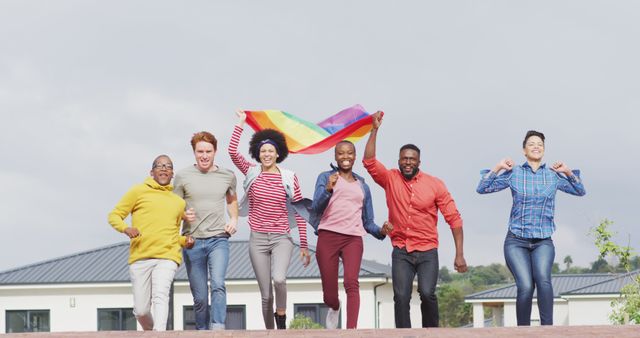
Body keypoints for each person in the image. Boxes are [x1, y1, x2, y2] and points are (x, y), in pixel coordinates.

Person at [362, 112, 468, 328]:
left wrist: (459, 254)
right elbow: (369, 162)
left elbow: (454, 219)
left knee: (427, 293)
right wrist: (374, 130)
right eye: (404, 159)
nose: (408, 162)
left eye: (412, 159)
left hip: (427, 250)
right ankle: (404, 334)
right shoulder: (390, 178)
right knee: (401, 296)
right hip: (401, 249)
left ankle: (432, 333)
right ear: (399, 160)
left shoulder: (435, 184)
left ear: (419, 161)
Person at [476, 130, 585, 326]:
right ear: (524, 150)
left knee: (543, 280)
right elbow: (482, 188)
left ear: (544, 150)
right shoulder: (514, 173)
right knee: (525, 286)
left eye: (540, 144)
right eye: (532, 144)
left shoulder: (553, 176)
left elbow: (580, 190)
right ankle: (523, 331)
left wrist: (567, 171)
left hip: (543, 241)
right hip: (516, 241)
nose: (536, 146)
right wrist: (498, 167)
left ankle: (547, 329)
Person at [229, 111, 311, 330]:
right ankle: (270, 332)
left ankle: (281, 317)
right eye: (263, 151)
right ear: (258, 153)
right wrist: (241, 124)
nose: (266, 154)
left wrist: (303, 244)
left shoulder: (288, 176)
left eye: (270, 151)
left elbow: (301, 210)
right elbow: (232, 152)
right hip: (257, 239)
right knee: (265, 294)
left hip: (282, 237)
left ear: (278, 154)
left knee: (279, 279)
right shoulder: (251, 172)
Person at [309, 140, 390, 329]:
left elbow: (368, 221)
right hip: (328, 235)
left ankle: (351, 330)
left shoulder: (363, 185)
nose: (345, 157)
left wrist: (381, 231)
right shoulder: (325, 177)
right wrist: (329, 189)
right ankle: (335, 307)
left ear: (355, 156)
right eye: (341, 153)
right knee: (329, 295)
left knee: (351, 283)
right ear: (335, 157)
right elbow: (316, 207)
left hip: (353, 238)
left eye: (350, 153)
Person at [108, 155, 195, 331]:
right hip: (140, 257)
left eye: (168, 166)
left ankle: (159, 334)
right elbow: (114, 215)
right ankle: (151, 332)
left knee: (160, 296)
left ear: (172, 174)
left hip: (167, 256)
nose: (164, 169)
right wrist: (126, 229)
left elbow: (171, 234)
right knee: (141, 310)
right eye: (159, 166)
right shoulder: (138, 191)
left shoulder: (179, 202)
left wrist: (185, 241)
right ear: (152, 171)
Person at [174, 132, 238, 330]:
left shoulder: (227, 176)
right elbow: (174, 207)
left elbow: (231, 200)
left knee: (218, 283)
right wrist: (184, 216)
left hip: (218, 239)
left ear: (215, 152)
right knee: (200, 296)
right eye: (200, 151)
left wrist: (234, 219)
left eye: (208, 151)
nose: (204, 155)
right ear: (194, 152)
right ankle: (202, 331)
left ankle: (218, 328)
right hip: (192, 241)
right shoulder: (183, 176)